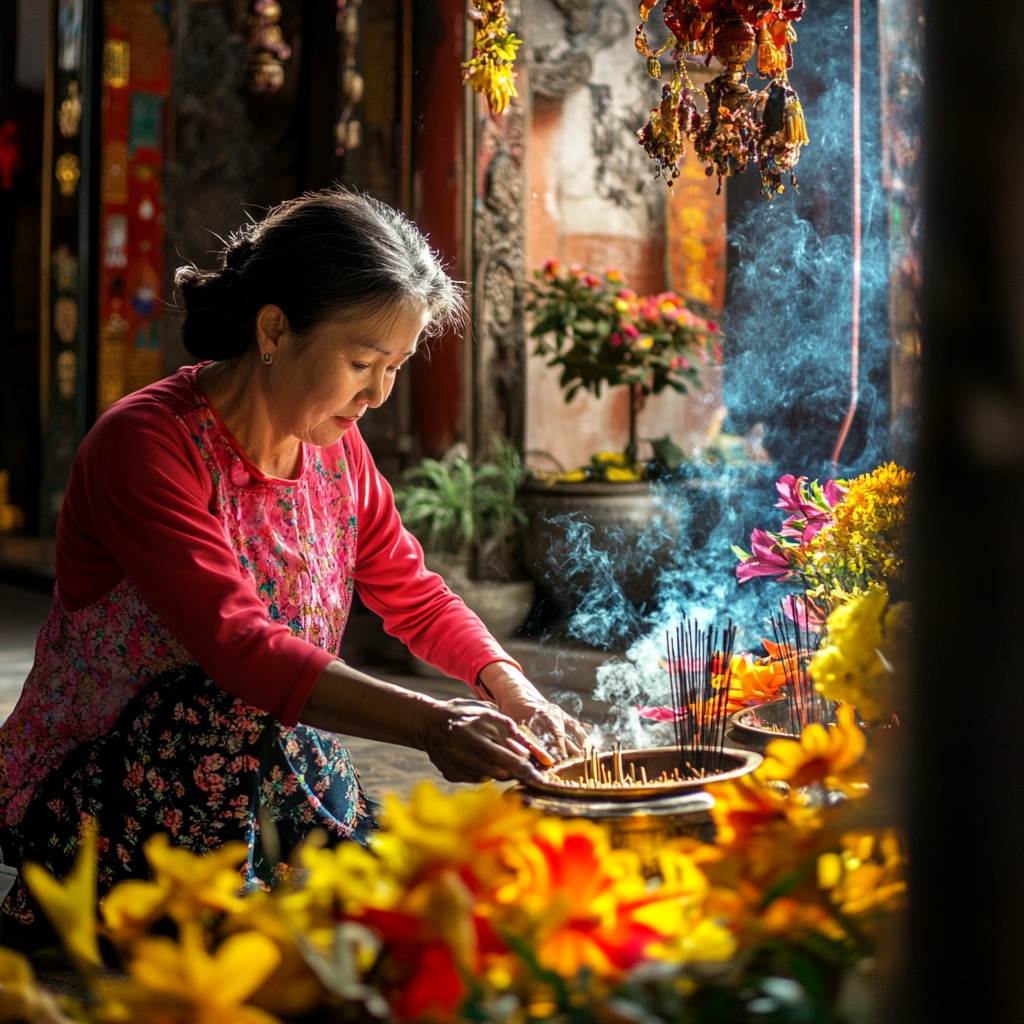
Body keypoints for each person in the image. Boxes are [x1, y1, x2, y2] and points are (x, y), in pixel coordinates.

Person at [0, 186, 586, 940]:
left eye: (397, 367)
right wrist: (437, 726)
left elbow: (415, 593)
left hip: (261, 768)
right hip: (101, 791)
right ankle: (80, 900)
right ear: (274, 328)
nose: (378, 394)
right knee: (211, 707)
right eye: (362, 361)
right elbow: (241, 649)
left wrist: (514, 692)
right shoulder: (146, 445)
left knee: (396, 917)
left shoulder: (335, 451)